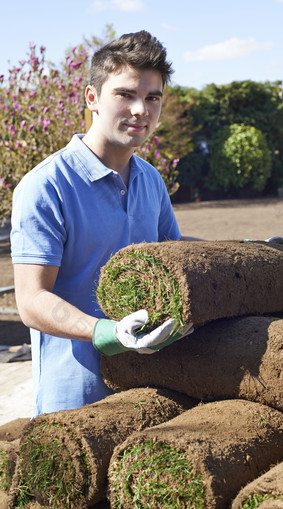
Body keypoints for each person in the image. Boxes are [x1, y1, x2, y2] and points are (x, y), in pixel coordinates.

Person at [11, 31, 198, 417]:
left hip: (148, 389)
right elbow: (31, 300)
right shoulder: (46, 186)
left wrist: (244, 252)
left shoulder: (151, 180)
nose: (140, 110)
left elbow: (172, 257)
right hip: (75, 399)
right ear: (92, 98)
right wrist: (107, 332)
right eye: (125, 94)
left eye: (152, 98)